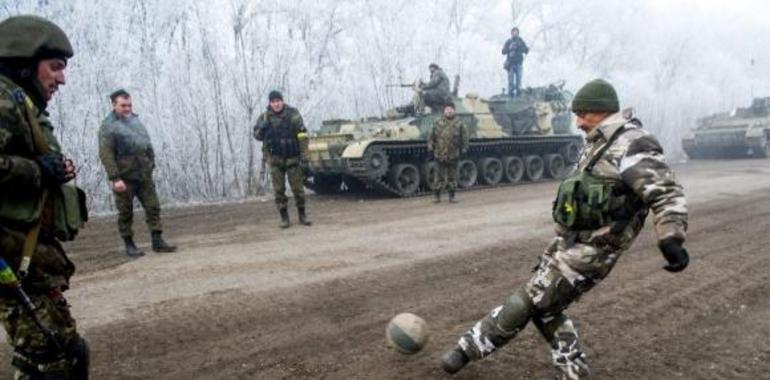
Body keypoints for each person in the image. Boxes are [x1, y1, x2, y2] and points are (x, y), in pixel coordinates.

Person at [440, 79, 690, 379]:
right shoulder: (599, 143)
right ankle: (574, 370)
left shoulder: (633, 144)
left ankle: (466, 349)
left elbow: (665, 192)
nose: (579, 122)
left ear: (601, 111)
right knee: (546, 309)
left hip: (594, 251)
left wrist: (671, 237)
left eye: (583, 114)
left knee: (529, 299)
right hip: (568, 243)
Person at [0, 15, 90, 379]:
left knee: (50, 355)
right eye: (54, 67)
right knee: (60, 357)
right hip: (12, 259)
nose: (61, 78)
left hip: (25, 258)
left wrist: (50, 170)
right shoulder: (4, 101)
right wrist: (38, 171)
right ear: (24, 64)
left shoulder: (19, 102)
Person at [98, 89, 177, 257]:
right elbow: (106, 154)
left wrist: (151, 163)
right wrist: (115, 178)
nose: (127, 108)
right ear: (114, 105)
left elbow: (147, 144)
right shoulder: (108, 127)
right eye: (123, 105)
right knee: (125, 212)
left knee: (153, 207)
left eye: (129, 105)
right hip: (124, 178)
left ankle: (157, 240)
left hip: (143, 175)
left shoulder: (135, 122)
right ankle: (129, 244)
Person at [253, 90, 312, 228]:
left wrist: (305, 157)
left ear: (282, 101)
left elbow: (303, 136)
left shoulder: (292, 114)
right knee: (279, 190)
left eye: (278, 101)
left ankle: (302, 215)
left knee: (298, 189)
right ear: (270, 103)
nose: (276, 104)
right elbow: (256, 136)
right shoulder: (264, 117)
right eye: (273, 102)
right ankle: (284, 217)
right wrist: (261, 129)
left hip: (292, 158)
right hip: (275, 160)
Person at [427, 102, 469, 203]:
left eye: (451, 109)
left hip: (453, 154)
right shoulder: (437, 122)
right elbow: (431, 137)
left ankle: (452, 196)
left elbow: (465, 138)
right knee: (438, 177)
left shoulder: (459, 124)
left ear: (454, 111)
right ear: (444, 111)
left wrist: (464, 149)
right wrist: (430, 147)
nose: (449, 111)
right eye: (447, 109)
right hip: (439, 154)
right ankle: (437, 197)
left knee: (452, 177)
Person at [502, 27, 529, 97]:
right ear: (511, 33)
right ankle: (510, 94)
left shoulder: (520, 41)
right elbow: (503, 51)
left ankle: (518, 94)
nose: (515, 33)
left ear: (518, 33)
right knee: (511, 81)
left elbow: (525, 50)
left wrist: (519, 47)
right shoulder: (509, 41)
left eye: (516, 32)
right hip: (510, 64)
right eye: (513, 32)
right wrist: (509, 48)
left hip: (519, 63)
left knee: (518, 80)